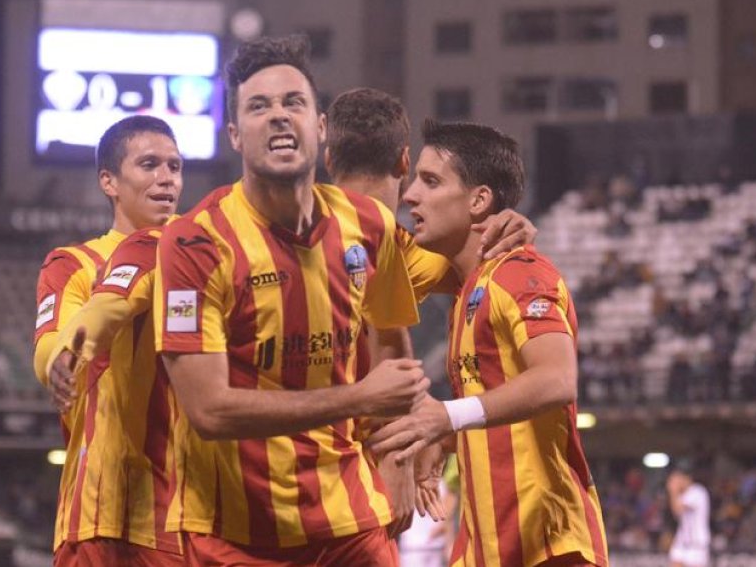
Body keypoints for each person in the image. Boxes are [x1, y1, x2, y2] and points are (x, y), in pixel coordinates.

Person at [154, 34, 429, 565]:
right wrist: (359, 399)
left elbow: (393, 347)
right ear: (235, 134)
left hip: (351, 524)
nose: (279, 116)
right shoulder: (194, 243)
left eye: (293, 103)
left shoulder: (370, 224)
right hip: (233, 538)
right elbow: (209, 409)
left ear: (320, 127)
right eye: (259, 106)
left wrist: (397, 458)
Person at [370, 121, 609, 567]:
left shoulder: (518, 273)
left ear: (479, 200)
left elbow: (557, 379)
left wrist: (447, 416)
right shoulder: (467, 288)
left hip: (546, 546)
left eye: (431, 180)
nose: (410, 195)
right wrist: (443, 439)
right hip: (487, 546)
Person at [324, 87, 538, 536]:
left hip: (278, 464)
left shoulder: (288, 231)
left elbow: (481, 265)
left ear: (327, 157)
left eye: (432, 181)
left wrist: (506, 228)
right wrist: (513, 227)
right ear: (404, 161)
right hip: (353, 467)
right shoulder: (401, 252)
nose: (414, 195)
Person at [31, 115, 184, 565]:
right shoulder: (74, 263)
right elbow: (48, 345)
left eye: (175, 167)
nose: (166, 179)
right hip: (105, 513)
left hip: (193, 513)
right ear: (109, 181)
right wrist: (58, 363)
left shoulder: (203, 258)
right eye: (150, 164)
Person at [666, 464, 710, 567]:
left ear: (685, 477)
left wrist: (673, 491)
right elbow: (675, 512)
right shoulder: (683, 494)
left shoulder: (698, 491)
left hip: (696, 544)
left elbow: (678, 509)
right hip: (682, 542)